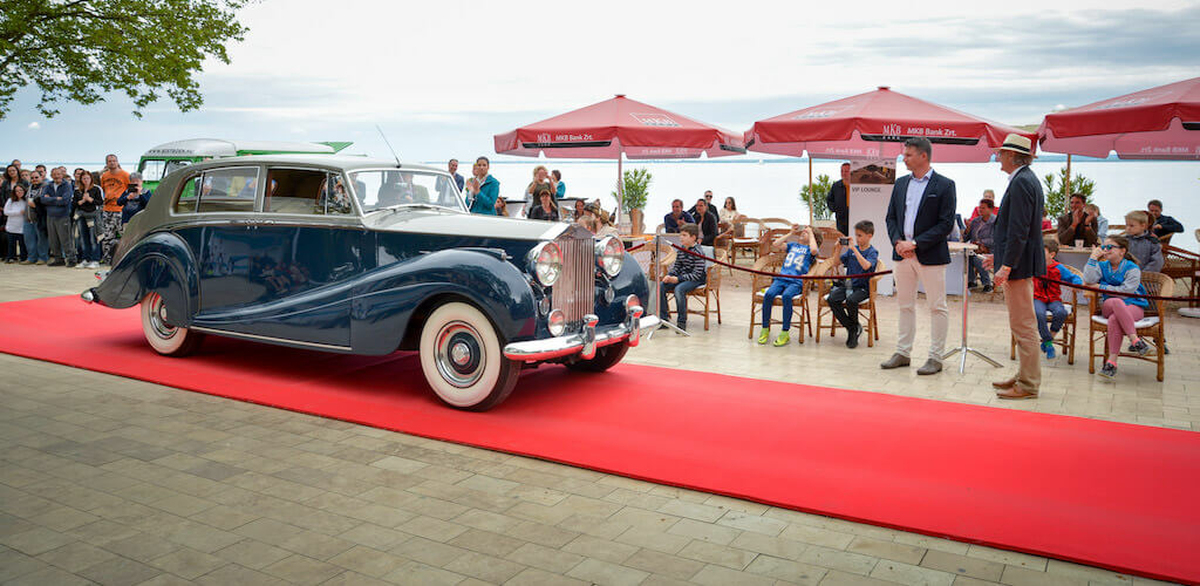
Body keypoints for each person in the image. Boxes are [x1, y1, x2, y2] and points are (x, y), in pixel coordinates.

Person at [881, 137, 956, 375]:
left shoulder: (945, 185)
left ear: (923, 156)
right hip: (901, 254)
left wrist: (915, 243)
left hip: (930, 255)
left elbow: (945, 224)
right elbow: (890, 217)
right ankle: (903, 353)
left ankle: (936, 357)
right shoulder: (901, 183)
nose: (904, 158)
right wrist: (898, 243)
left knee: (937, 307)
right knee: (905, 305)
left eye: (909, 154)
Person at [986, 133, 1046, 399]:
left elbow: (1019, 229)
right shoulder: (1025, 179)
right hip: (1019, 263)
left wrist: (1006, 265)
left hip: (1019, 266)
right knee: (1021, 324)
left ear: (1012, 155)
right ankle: (1024, 375)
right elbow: (1014, 229)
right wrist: (999, 259)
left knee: (1023, 326)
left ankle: (1029, 384)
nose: (998, 157)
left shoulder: (1022, 182)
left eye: (1001, 153)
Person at [1083, 236, 1151, 380]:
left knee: (1115, 319)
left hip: (1134, 305)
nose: (1105, 250)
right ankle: (1135, 340)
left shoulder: (1132, 268)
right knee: (1116, 302)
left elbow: (1126, 293)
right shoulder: (1102, 266)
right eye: (1103, 247)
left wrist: (1100, 287)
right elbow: (1088, 280)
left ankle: (1111, 363)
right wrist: (1092, 258)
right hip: (1110, 304)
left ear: (1122, 251)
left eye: (1109, 247)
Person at [756, 224, 820, 347]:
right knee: (768, 294)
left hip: (796, 281)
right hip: (781, 279)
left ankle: (785, 332)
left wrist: (811, 233)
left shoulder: (810, 250)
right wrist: (791, 233)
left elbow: (814, 250)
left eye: (806, 233)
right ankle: (765, 329)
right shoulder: (792, 245)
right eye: (803, 232)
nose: (803, 233)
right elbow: (776, 244)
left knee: (786, 296)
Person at [827, 220, 879, 349]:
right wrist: (838, 249)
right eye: (856, 235)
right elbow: (836, 263)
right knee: (832, 299)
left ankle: (852, 332)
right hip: (849, 285)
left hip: (864, 288)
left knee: (851, 301)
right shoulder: (851, 251)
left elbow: (867, 266)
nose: (857, 238)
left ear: (869, 236)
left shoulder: (872, 252)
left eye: (860, 235)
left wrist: (854, 250)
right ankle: (852, 328)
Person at [1033, 240, 1082, 360]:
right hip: (1037, 298)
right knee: (1039, 314)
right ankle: (1049, 344)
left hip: (1054, 299)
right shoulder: (1033, 265)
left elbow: (1073, 277)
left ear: (1052, 254)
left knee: (1061, 312)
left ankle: (1048, 340)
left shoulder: (1058, 268)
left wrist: (1077, 284)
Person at [658, 223, 706, 332]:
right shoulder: (681, 250)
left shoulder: (698, 252)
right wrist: (670, 275)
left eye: (684, 235)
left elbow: (697, 274)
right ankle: (663, 319)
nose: (681, 237)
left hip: (696, 279)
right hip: (682, 277)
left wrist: (678, 279)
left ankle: (681, 322)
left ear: (693, 237)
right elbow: (677, 267)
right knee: (661, 286)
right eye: (681, 235)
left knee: (679, 289)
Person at [40, 167, 77, 267]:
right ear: (51, 175)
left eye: (58, 174)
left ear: (62, 175)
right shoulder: (48, 186)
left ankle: (71, 259)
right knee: (53, 239)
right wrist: (57, 199)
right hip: (50, 216)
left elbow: (65, 200)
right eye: (54, 174)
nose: (56, 176)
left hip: (63, 216)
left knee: (65, 239)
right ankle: (58, 259)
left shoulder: (67, 186)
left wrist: (50, 199)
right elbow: (43, 200)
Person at [99, 154, 130, 263]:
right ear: (107, 163)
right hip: (107, 209)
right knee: (107, 236)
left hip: (120, 210)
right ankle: (107, 259)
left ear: (117, 162)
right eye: (109, 161)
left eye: (114, 161)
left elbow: (131, 190)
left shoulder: (125, 175)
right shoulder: (104, 176)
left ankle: (126, 258)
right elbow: (103, 189)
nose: (112, 163)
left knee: (124, 235)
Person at [963, 198, 997, 293]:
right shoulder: (975, 221)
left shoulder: (996, 222)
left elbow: (996, 239)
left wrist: (981, 242)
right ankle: (971, 280)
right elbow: (966, 238)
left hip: (990, 250)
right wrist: (967, 229)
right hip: (975, 249)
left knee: (977, 258)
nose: (980, 210)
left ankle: (987, 283)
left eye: (983, 208)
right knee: (966, 256)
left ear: (990, 209)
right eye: (979, 208)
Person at [73, 170, 104, 269]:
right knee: (83, 238)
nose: (86, 180)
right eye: (84, 178)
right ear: (81, 180)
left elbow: (100, 202)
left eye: (87, 178)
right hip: (81, 216)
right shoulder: (77, 190)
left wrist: (90, 199)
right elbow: (74, 203)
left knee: (93, 238)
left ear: (91, 179)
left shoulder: (96, 189)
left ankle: (95, 259)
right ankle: (85, 259)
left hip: (93, 216)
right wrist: (82, 201)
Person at [21, 168, 49, 265]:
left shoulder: (46, 187)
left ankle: (43, 257)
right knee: (29, 240)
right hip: (28, 218)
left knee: (42, 240)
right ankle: (31, 257)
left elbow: (46, 202)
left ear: (41, 177)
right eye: (32, 178)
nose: (34, 179)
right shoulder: (29, 187)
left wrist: (36, 206)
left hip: (39, 218)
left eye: (36, 177)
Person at [5, 184, 28, 262]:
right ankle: (11, 257)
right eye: (17, 191)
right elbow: (6, 212)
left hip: (22, 226)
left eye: (21, 190)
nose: (19, 192)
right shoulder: (10, 200)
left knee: (22, 244)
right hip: (12, 226)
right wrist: (18, 212)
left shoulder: (26, 200)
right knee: (11, 244)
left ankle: (23, 257)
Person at [826, 163, 851, 236]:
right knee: (842, 240)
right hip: (841, 219)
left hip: (855, 217)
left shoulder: (857, 186)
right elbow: (829, 199)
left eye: (846, 171)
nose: (843, 173)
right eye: (842, 171)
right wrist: (835, 209)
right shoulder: (836, 186)